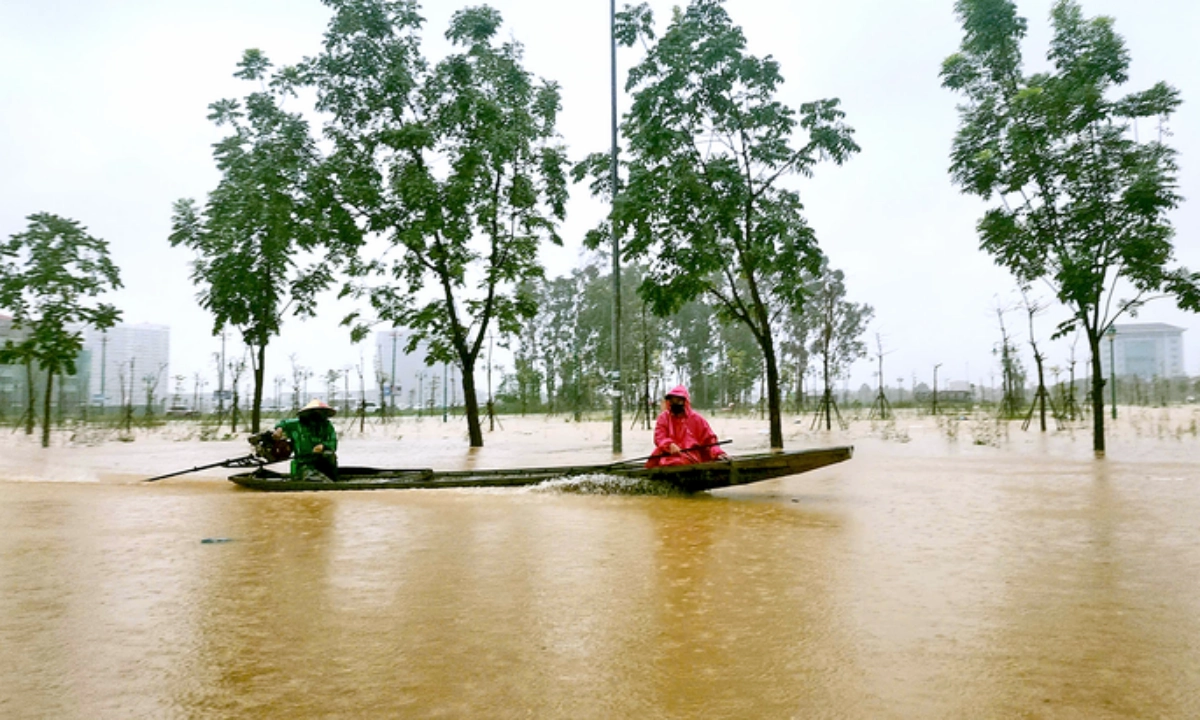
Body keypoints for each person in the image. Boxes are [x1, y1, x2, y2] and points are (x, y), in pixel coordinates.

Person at [646, 385, 728, 468]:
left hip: (690, 457)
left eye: (678, 401)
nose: (675, 404)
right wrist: (669, 445)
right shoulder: (663, 418)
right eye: (672, 401)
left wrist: (718, 453)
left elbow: (710, 440)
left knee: (681, 463)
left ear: (685, 402)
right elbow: (659, 436)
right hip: (666, 455)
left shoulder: (697, 419)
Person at [273, 399, 339, 482]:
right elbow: (283, 423)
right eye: (314, 412)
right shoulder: (297, 425)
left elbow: (333, 443)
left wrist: (323, 446)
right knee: (310, 477)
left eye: (320, 413)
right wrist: (279, 430)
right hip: (303, 463)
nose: (317, 415)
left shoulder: (327, 426)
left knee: (328, 454)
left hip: (321, 463)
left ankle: (331, 478)